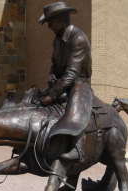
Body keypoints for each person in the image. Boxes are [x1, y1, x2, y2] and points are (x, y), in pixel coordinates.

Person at [39, 2, 92, 163]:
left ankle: (78, 148)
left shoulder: (78, 38)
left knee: (74, 110)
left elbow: (71, 73)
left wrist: (53, 95)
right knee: (37, 100)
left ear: (61, 20)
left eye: (50, 22)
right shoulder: (57, 40)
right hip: (62, 83)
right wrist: (51, 76)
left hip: (79, 83)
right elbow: (54, 64)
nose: (49, 27)